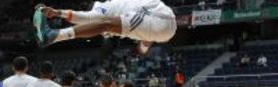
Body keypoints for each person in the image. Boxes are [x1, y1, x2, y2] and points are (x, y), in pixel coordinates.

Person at [33, 0, 176, 54]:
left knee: (105, 25)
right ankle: (54, 36)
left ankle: (55, 35)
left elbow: (86, 18)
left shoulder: (104, 7)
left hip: (160, 19)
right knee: (106, 26)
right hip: (163, 27)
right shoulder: (128, 13)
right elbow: (144, 45)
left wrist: (58, 12)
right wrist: (56, 13)